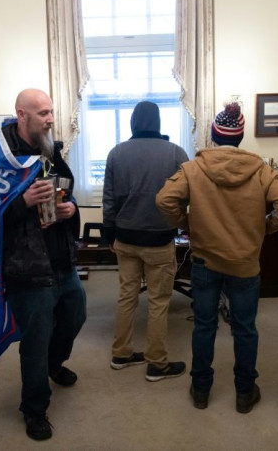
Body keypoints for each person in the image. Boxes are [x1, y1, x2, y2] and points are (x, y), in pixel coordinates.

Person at [155, 102, 278, 413]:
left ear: (213, 134)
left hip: (205, 262)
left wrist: (187, 223)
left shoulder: (194, 169)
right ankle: (245, 392)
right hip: (245, 264)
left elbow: (165, 200)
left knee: (204, 327)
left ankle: (201, 390)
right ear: (241, 136)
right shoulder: (261, 170)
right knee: (245, 328)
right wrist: (264, 228)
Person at [0, 89, 86, 441]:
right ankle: (34, 409)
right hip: (27, 268)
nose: (50, 118)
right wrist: (22, 202)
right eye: (43, 113)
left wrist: (71, 208)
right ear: (22, 114)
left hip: (61, 259)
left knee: (75, 315)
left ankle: (53, 365)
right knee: (35, 339)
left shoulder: (51, 148)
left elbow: (67, 190)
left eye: (51, 112)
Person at [102, 101, 189, 382]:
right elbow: (186, 195)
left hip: (125, 239)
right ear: (158, 123)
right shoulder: (175, 152)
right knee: (158, 301)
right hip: (159, 240)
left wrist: (108, 233)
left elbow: (108, 200)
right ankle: (157, 364)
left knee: (127, 296)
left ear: (133, 123)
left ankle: (121, 354)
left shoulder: (116, 153)